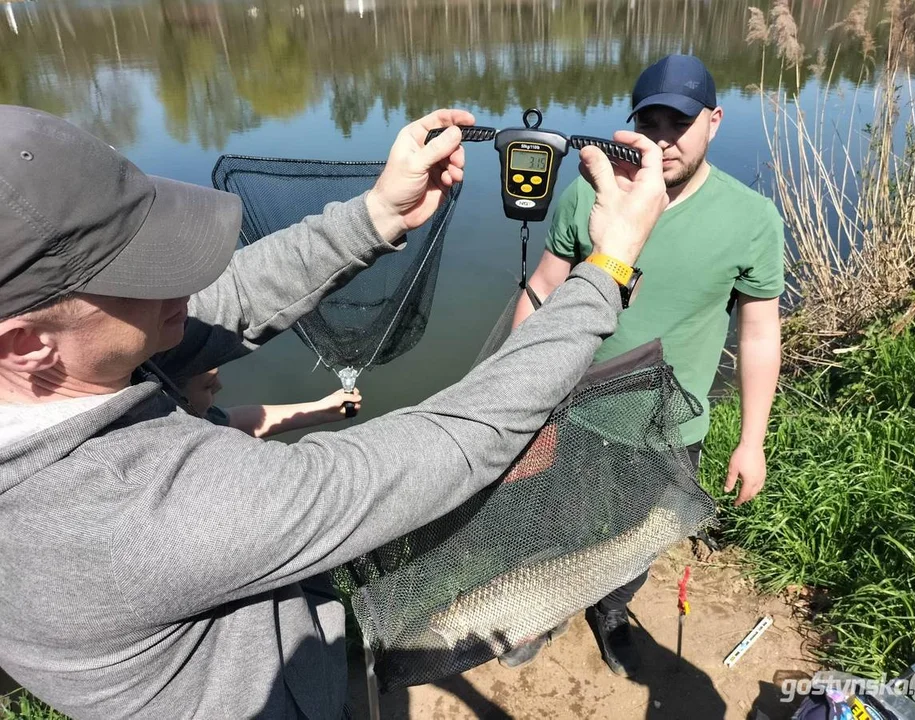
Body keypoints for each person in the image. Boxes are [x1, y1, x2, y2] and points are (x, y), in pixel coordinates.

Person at [0, 103, 669, 719]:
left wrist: (379, 214)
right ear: (26, 344)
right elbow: (454, 442)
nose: (180, 282)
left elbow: (220, 305)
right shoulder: (134, 519)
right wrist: (605, 273)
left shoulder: (63, 369)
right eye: (140, 274)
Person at [504, 54, 785, 675]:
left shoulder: (752, 220)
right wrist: (515, 398)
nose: (663, 138)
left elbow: (760, 331)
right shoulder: (591, 194)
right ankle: (544, 612)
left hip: (672, 428)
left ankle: (610, 615)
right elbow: (543, 288)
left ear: (713, 121)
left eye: (679, 122)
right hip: (577, 411)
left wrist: (752, 442)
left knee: (637, 539)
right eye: (650, 120)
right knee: (556, 523)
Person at [181, 366, 361, 437]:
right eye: (208, 385)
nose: (219, 386)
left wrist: (321, 410)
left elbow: (233, 421)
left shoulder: (192, 414)